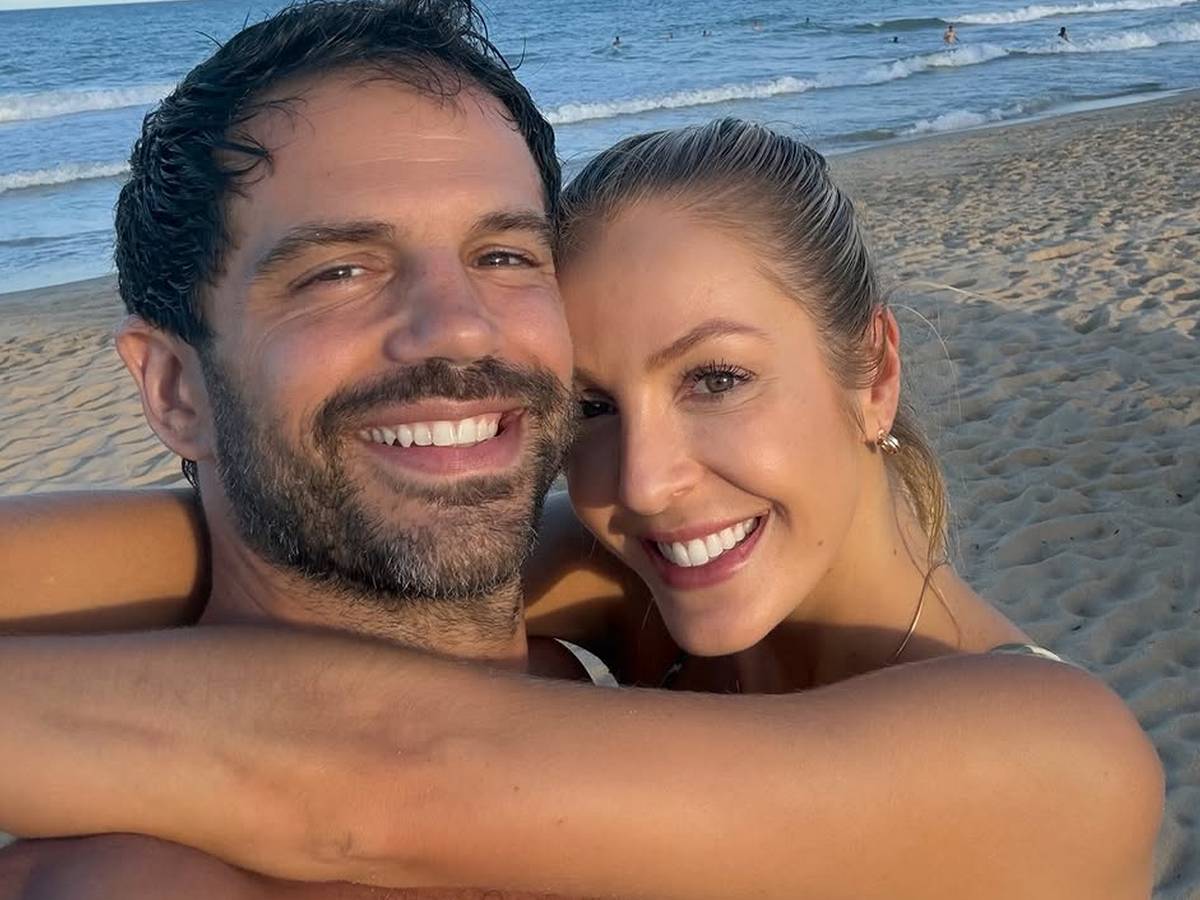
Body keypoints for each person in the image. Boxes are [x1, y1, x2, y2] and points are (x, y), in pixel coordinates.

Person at [0, 3, 1162, 900]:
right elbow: (229, 562)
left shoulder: (1052, 753)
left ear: (876, 374)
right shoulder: (642, 595)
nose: (647, 482)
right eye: (338, 268)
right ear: (173, 388)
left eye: (503, 255)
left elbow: (387, 767)